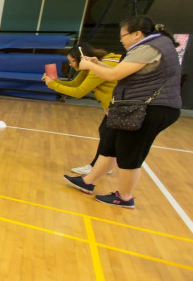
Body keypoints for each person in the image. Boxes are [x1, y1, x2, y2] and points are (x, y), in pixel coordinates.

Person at [63, 16, 182, 209]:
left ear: (137, 34)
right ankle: (88, 181)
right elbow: (122, 71)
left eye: (123, 35)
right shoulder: (152, 45)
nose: (121, 40)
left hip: (149, 109)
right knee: (111, 143)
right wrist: (98, 63)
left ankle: (125, 197)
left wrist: (90, 66)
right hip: (137, 107)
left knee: (129, 154)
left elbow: (114, 75)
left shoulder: (149, 48)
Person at [43, 43, 121, 175]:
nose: (71, 65)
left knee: (108, 137)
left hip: (119, 108)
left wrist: (53, 86)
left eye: (71, 61)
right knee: (105, 133)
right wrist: (53, 82)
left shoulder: (96, 68)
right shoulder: (92, 65)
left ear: (81, 57)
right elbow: (74, 83)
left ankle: (96, 167)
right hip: (112, 107)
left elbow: (79, 91)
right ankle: (104, 165)